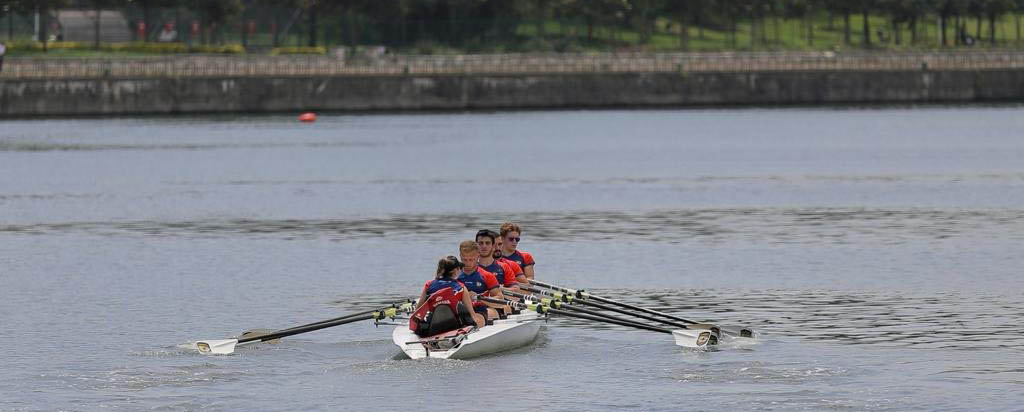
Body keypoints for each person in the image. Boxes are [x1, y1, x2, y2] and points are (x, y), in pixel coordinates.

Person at [414, 255, 484, 329]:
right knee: (480, 319)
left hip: (433, 325)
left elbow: (418, 311)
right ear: (456, 270)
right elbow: (472, 315)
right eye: (460, 268)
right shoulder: (461, 287)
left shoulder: (428, 285)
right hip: (455, 326)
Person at [456, 240, 509, 321]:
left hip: (481, 309)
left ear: (478, 256)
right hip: (459, 310)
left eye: (471, 259)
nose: (468, 264)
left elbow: (500, 300)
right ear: (460, 256)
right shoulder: (454, 275)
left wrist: (479, 298)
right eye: (464, 259)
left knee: (475, 318)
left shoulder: (486, 275)